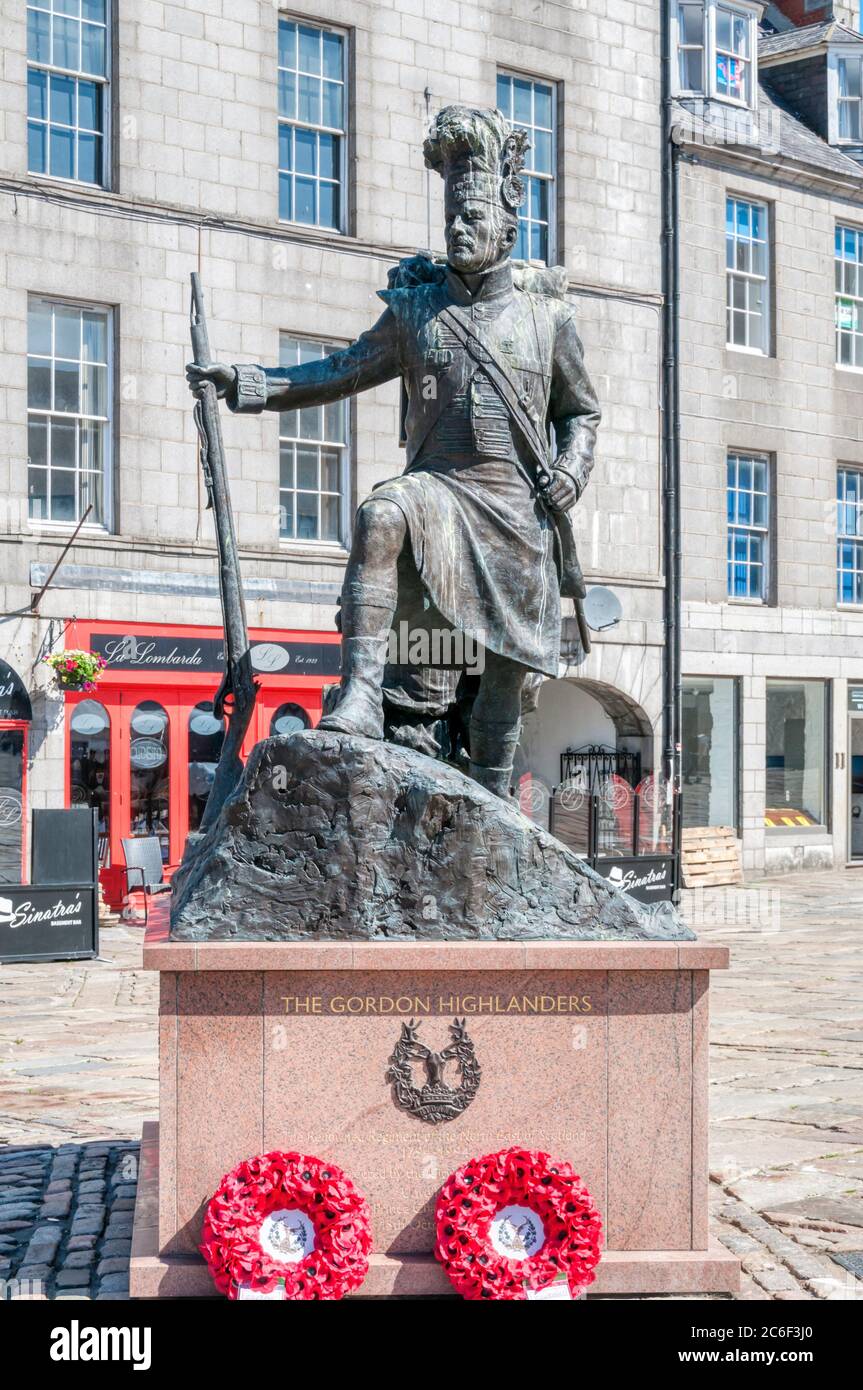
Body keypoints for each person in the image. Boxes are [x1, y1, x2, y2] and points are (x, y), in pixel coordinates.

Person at [187, 105, 600, 797]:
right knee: (380, 515)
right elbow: (342, 369)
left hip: (514, 509)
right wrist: (251, 382)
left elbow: (580, 411)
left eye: (472, 218)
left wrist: (569, 469)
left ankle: (493, 799)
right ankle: (360, 696)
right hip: (438, 488)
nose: (458, 230)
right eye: (450, 221)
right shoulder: (415, 309)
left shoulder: (546, 316)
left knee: (502, 672)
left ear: (505, 221)